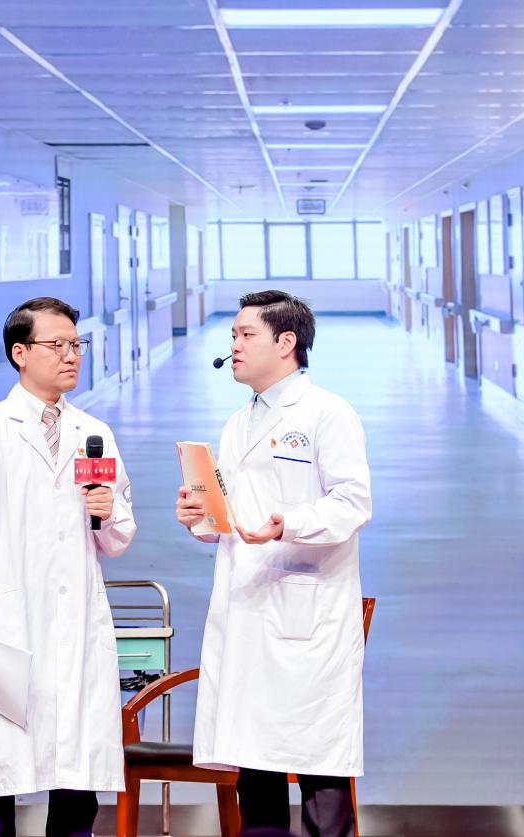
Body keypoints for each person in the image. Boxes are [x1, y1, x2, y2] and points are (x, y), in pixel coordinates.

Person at [0, 297, 136, 837]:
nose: (72, 355)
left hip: (76, 627)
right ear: (20, 353)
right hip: (7, 625)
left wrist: (107, 510)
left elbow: (117, 536)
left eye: (77, 344)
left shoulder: (94, 433)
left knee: (74, 778)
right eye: (57, 345)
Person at [175, 291, 371, 837]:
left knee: (317, 757)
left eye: (246, 335)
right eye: (233, 336)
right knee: (253, 758)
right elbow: (230, 517)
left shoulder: (327, 413)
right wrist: (199, 515)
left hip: (304, 612)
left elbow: (353, 503)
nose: (234, 346)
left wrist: (288, 523)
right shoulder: (239, 422)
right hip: (248, 607)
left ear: (286, 342)